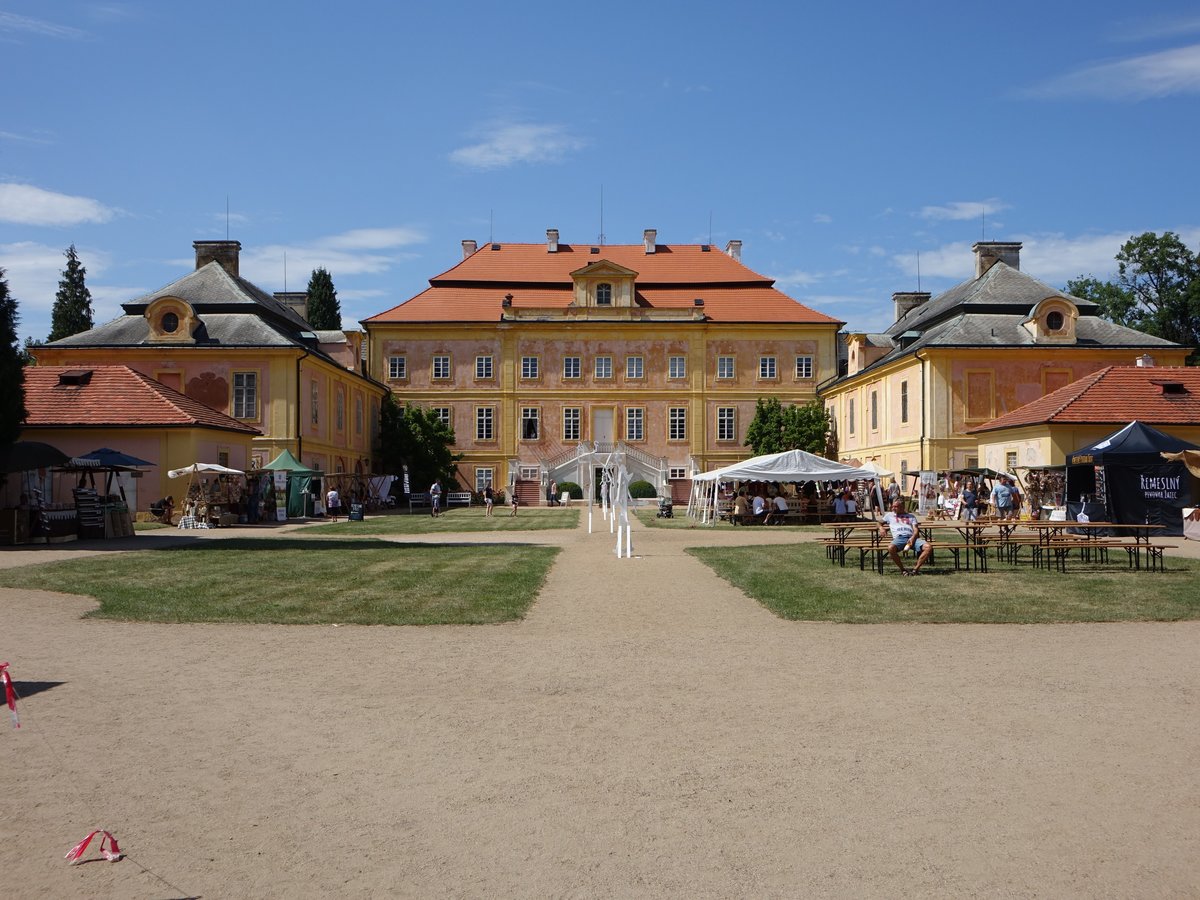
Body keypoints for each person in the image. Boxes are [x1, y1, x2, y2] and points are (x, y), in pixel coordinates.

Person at [880, 498, 933, 575]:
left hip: (912, 538)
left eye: (896, 506)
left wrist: (913, 538)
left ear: (902, 507)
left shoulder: (911, 516)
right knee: (891, 548)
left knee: (928, 547)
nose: (893, 508)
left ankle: (915, 570)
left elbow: (916, 530)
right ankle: (903, 570)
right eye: (892, 506)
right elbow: (878, 523)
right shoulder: (889, 515)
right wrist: (881, 528)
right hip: (899, 538)